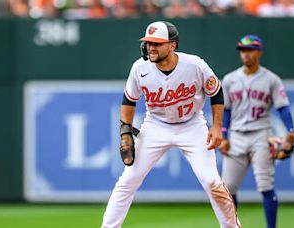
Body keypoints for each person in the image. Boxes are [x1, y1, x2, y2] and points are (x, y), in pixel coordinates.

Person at [101, 21, 241, 228]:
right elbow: (129, 100)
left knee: (211, 181)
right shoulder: (140, 68)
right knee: (128, 180)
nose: (150, 47)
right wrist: (125, 131)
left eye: (157, 43)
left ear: (172, 45)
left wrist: (217, 126)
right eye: (148, 43)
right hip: (156, 125)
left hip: (192, 125)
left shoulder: (195, 65)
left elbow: (216, 92)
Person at [219, 34, 294, 228]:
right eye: (243, 50)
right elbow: (225, 110)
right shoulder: (229, 79)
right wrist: (224, 135)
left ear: (259, 52)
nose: (246, 54)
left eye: (250, 50)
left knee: (265, 185)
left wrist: (291, 131)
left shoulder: (271, 79)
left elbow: (283, 107)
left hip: (261, 135)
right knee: (227, 188)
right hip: (236, 136)